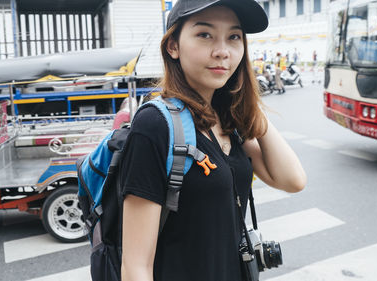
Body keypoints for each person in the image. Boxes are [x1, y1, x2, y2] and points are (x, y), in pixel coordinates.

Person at [120, 0, 306, 280]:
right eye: (204, 35)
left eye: (234, 37)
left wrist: (250, 108)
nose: (222, 52)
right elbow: (136, 266)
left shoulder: (229, 123)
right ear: (173, 46)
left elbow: (292, 180)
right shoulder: (155, 125)